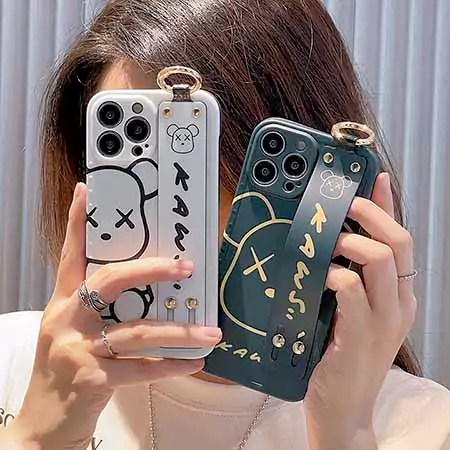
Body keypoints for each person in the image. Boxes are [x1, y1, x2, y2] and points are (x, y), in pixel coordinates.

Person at [0, 0, 449, 449]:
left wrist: (346, 430)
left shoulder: (419, 423)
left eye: (192, 170)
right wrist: (38, 436)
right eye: (127, 162)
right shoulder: (11, 360)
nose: (159, 214)